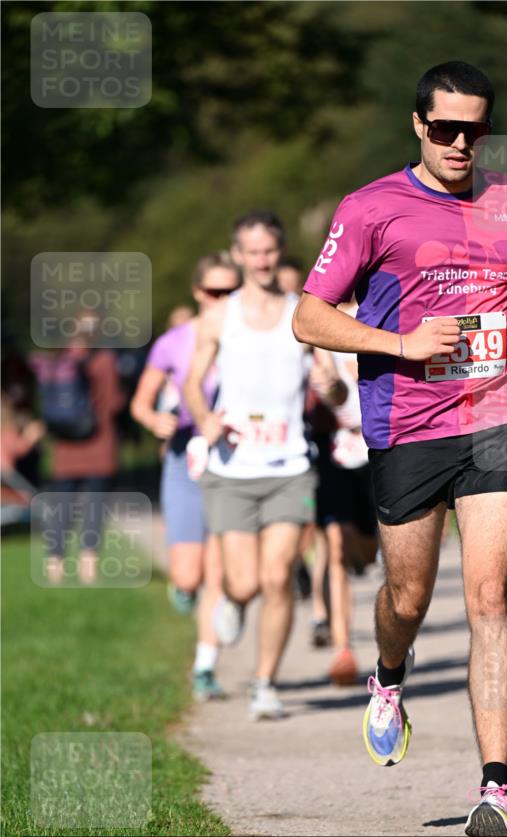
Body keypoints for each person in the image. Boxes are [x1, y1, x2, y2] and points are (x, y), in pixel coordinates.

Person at [293, 60, 507, 837]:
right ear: (418, 125)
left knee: (490, 599)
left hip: (494, 415)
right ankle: (390, 676)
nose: (461, 142)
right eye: (446, 128)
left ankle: (495, 788)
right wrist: (399, 342)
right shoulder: (370, 209)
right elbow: (308, 318)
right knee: (409, 599)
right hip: (404, 424)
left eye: (475, 128)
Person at [184, 212, 344, 720]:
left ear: (279, 253)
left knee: (278, 577)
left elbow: (337, 391)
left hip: (290, 466)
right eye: (252, 252)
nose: (261, 260)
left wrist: (330, 386)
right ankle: (232, 599)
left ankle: (264, 682)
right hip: (231, 468)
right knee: (246, 581)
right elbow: (191, 383)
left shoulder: (306, 314)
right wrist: (205, 418)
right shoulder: (218, 316)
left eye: (270, 251)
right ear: (237, 256)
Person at [131, 252, 241, 699]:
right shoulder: (174, 342)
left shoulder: (249, 338)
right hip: (183, 458)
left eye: (232, 291)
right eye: (215, 291)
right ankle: (187, 590)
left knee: (218, 570)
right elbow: (141, 401)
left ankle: (205, 667)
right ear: (198, 293)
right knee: (189, 575)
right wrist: (153, 421)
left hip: (231, 458)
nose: (224, 299)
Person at [309, 301, 378, 685]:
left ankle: (363, 556)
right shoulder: (324, 316)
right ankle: (343, 649)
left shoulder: (388, 303)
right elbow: (333, 389)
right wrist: (333, 386)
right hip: (335, 449)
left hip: (381, 447)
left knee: (367, 551)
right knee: (335, 546)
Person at [30, 313, 124, 584]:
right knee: (94, 506)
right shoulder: (105, 360)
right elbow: (114, 402)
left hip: (65, 448)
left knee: (63, 507)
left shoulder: (58, 360)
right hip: (99, 445)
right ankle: (88, 568)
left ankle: (54, 567)